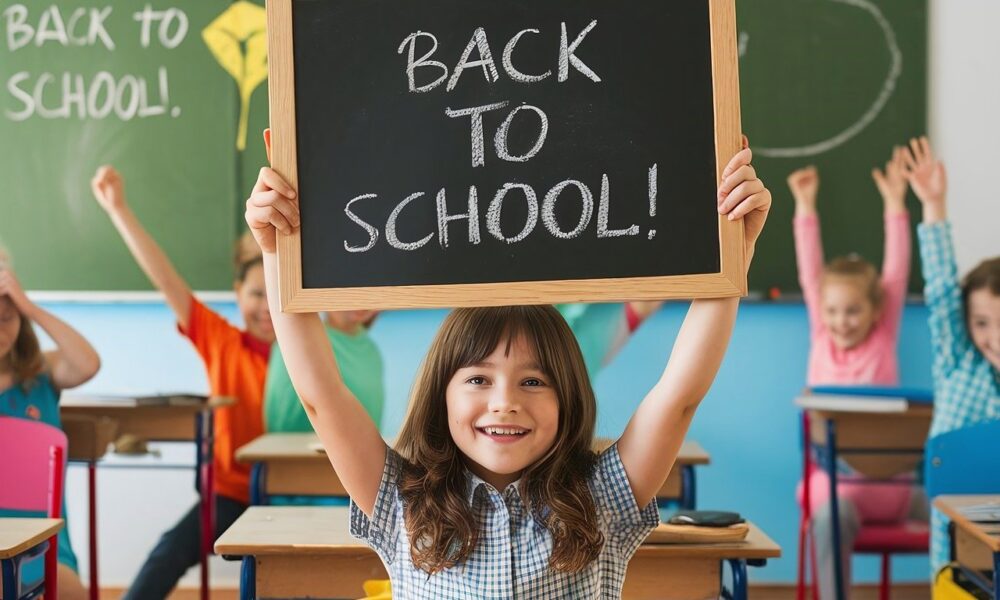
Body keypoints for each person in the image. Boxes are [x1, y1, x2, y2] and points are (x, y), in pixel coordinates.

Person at [243, 129, 771, 597]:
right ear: (440, 394)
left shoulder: (600, 497)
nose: (505, 402)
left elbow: (678, 397)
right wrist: (276, 251)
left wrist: (734, 253)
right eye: (477, 378)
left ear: (568, 396)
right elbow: (321, 396)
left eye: (533, 380)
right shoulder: (402, 500)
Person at [90, 166, 272, 599]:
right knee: (167, 552)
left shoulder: (309, 351)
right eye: (256, 294)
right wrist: (118, 210)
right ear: (237, 293)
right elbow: (166, 280)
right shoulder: (221, 341)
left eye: (276, 295)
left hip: (288, 496)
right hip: (228, 496)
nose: (266, 308)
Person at [787, 149, 922, 598]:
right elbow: (810, 274)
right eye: (832, 311)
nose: (841, 321)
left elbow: (897, 272)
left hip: (890, 487)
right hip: (836, 491)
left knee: (952, 502)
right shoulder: (821, 335)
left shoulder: (883, 335)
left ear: (875, 311)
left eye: (853, 311)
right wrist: (805, 207)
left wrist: (895, 204)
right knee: (827, 520)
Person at [903, 136, 999, 577]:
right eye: (981, 323)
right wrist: (933, 205)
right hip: (957, 546)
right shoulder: (958, 362)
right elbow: (942, 288)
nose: (993, 337)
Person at [0, 261, 100, 600]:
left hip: (44, 544)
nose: (0, 331)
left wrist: (28, 306)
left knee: (69, 592)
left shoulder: (40, 371)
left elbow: (87, 363)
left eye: (7, 318)